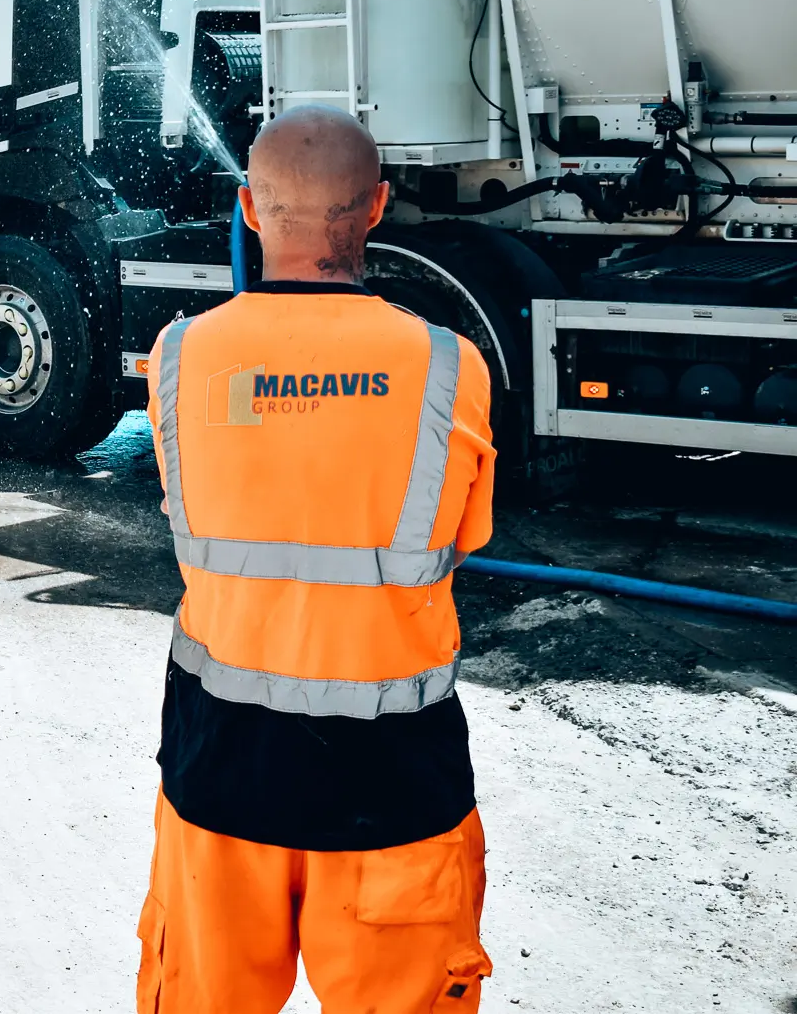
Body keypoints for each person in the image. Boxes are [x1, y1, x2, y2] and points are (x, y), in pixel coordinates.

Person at [136, 105, 496, 1013]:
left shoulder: (179, 358)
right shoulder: (451, 369)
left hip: (221, 772)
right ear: (376, 207)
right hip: (394, 784)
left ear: (251, 210)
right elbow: (464, 536)